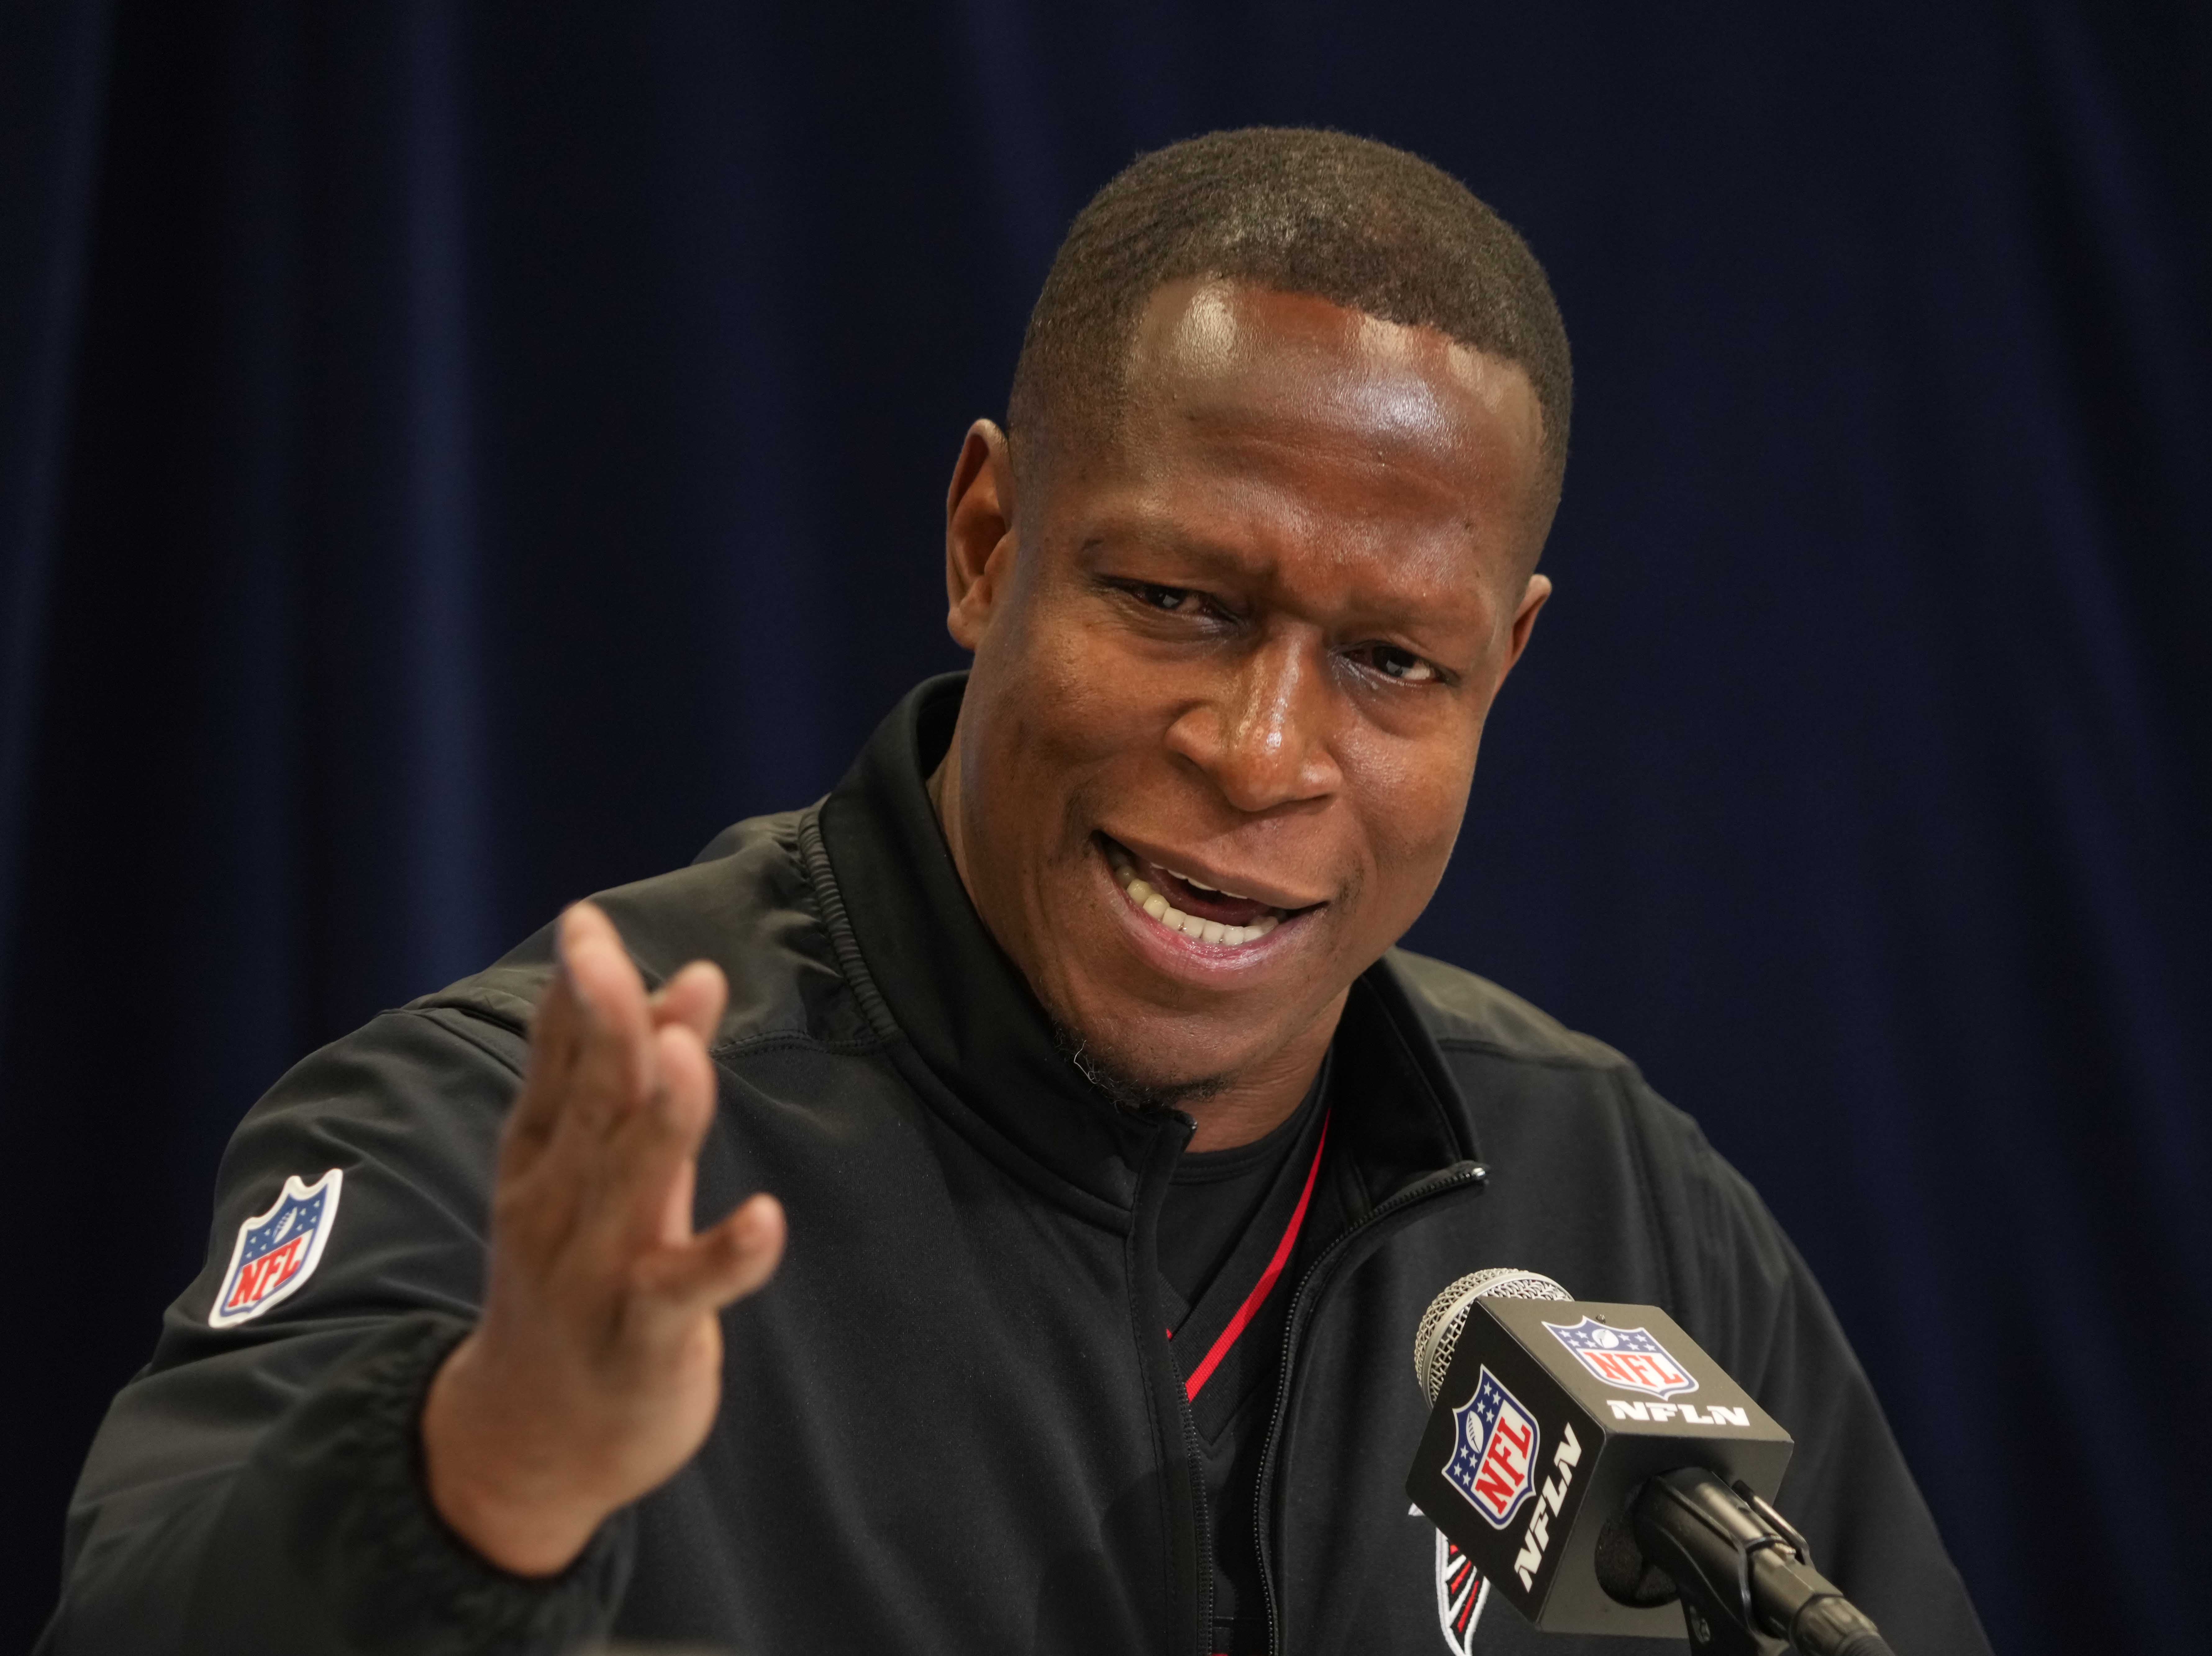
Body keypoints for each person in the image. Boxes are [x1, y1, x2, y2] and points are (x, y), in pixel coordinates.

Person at [41, 129, 1989, 1656]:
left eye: (1394, 660)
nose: (1261, 747)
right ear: (988, 542)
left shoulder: (1616, 1205)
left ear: (1506, 667)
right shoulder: (534, 1142)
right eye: (1175, 601)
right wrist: (491, 1464)